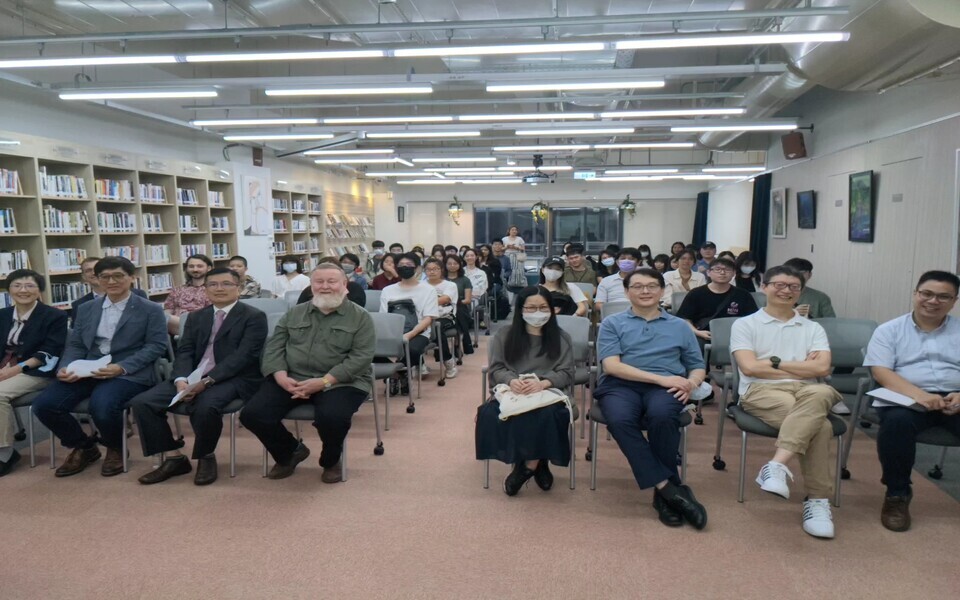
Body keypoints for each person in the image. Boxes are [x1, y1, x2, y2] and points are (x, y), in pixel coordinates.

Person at [730, 265, 840, 539]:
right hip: (760, 390)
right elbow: (750, 369)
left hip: (807, 391)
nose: (786, 290)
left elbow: (822, 370)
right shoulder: (745, 324)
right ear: (764, 287)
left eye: (793, 287)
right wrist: (801, 365)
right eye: (779, 284)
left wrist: (774, 362)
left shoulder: (812, 327)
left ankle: (777, 466)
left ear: (801, 291)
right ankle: (817, 500)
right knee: (821, 427)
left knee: (824, 392)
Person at [130, 267, 268, 486]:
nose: (219, 289)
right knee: (143, 402)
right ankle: (174, 457)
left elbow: (244, 357)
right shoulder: (195, 317)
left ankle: (206, 456)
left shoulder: (253, 316)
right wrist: (181, 379)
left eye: (226, 284)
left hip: (233, 377)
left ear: (238, 288)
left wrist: (206, 381)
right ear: (205, 289)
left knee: (205, 406)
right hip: (193, 375)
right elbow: (184, 351)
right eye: (212, 284)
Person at [32, 257, 168, 478]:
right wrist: (66, 367)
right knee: (45, 404)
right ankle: (84, 447)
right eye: (104, 276)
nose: (111, 281)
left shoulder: (150, 309)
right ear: (96, 279)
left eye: (118, 276)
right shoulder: (86, 308)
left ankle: (115, 447)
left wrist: (121, 367)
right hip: (90, 367)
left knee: (102, 406)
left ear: (132, 278)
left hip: (129, 371)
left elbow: (156, 346)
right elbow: (76, 343)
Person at [594, 268, 708, 529]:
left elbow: (696, 365)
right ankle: (670, 489)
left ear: (662, 290)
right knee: (621, 420)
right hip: (621, 385)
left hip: (667, 387)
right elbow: (612, 366)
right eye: (637, 286)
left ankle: (662, 494)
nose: (645, 291)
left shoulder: (680, 326)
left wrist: (691, 383)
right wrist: (661, 379)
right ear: (626, 292)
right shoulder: (612, 323)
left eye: (651, 286)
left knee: (662, 415)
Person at [240, 263, 375, 483]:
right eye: (319, 282)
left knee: (332, 417)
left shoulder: (360, 317)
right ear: (311, 286)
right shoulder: (294, 313)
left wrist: (323, 382)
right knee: (253, 414)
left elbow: (360, 358)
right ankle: (290, 452)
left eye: (332, 282)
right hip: (292, 378)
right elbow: (274, 347)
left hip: (341, 381)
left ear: (344, 285)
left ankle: (330, 461)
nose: (325, 287)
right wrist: (280, 376)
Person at [863, 270, 960, 532]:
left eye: (943, 296)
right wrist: (921, 395)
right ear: (915, 294)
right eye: (926, 294)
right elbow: (881, 372)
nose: (933, 301)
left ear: (954, 301)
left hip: (955, 396)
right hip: (906, 396)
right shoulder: (889, 330)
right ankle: (897, 494)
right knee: (896, 424)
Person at [475, 286, 575, 495]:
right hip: (514, 391)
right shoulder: (505, 334)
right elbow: (497, 369)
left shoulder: (562, 337)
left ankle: (529, 466)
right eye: (531, 308)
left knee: (547, 414)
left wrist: (544, 382)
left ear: (551, 309)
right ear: (520, 309)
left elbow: (567, 372)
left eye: (542, 307)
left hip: (549, 392)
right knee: (490, 413)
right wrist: (512, 381)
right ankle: (538, 461)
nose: (537, 312)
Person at [0, 270, 68, 476]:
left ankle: (5, 454)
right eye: (17, 285)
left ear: (39, 290)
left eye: (30, 286)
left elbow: (49, 351)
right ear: (8, 289)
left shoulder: (55, 316)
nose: (23, 290)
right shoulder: (2, 315)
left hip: (36, 370)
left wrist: (12, 371)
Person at [380, 253, 439, 395]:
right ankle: (398, 374)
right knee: (367, 349)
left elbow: (428, 318)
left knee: (412, 349)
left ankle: (397, 373)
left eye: (408, 265)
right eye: (401, 266)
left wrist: (409, 334)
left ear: (417, 268)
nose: (404, 268)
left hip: (419, 331)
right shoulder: (388, 290)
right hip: (392, 332)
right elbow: (383, 317)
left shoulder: (428, 290)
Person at [677, 257, 758, 347]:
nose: (722, 273)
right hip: (704, 335)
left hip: (736, 336)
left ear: (734, 273)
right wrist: (697, 332)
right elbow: (684, 318)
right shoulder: (696, 293)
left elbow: (753, 319)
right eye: (717, 269)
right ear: (708, 272)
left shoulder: (743, 295)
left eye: (727, 270)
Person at [71, 256, 147, 321]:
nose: (93, 273)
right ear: (83, 276)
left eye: (96, 269)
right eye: (88, 270)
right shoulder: (80, 306)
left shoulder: (139, 295)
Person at [424, 258, 460, 379]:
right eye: (428, 269)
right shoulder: (421, 285)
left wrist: (423, 302)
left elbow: (445, 299)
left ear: (441, 270)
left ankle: (448, 362)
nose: (432, 272)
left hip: (445, 317)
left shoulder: (450, 285)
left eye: (435, 269)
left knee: (436, 328)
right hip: (424, 317)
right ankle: (419, 364)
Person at [164, 254, 213, 335]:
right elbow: (168, 310)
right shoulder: (178, 289)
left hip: (201, 326)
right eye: (191, 266)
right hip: (175, 326)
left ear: (209, 268)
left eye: (199, 266)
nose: (195, 269)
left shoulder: (213, 290)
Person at [298, 257, 365, 307]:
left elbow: (356, 310)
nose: (325, 286)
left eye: (332, 281)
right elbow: (300, 311)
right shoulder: (309, 290)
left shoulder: (354, 288)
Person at [595, 247, 641, 313]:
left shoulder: (645, 281)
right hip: (613, 317)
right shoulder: (606, 281)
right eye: (623, 258)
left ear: (638, 262)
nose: (626, 261)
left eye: (631, 259)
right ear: (617, 262)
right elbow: (598, 305)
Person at [444, 254, 475, 355]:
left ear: (459, 265)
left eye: (455, 263)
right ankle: (456, 344)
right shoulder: (442, 279)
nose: (452, 265)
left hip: (460, 304)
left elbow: (468, 300)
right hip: (442, 306)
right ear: (445, 265)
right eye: (449, 263)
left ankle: (458, 343)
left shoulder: (465, 280)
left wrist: (455, 302)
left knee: (459, 312)